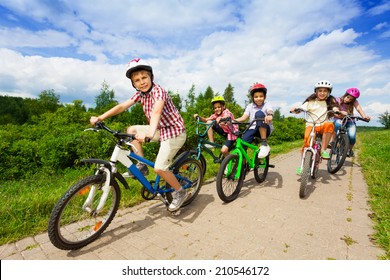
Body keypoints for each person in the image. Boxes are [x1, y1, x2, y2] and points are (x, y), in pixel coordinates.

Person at [90, 58, 187, 212]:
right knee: (131, 131)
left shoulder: (158, 91)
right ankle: (141, 166)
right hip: (160, 129)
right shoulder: (140, 94)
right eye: (137, 80)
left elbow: (156, 112)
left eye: (144, 78)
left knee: (160, 168)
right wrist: (101, 117)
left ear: (151, 77)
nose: (142, 82)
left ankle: (180, 192)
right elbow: (122, 106)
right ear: (133, 84)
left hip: (174, 132)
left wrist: (149, 133)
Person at [290, 80, 339, 175]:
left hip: (322, 124)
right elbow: (301, 108)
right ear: (316, 91)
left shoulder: (329, 101)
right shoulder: (310, 102)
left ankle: (324, 150)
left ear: (328, 92)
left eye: (325, 91)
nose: (322, 93)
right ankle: (302, 166)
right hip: (311, 125)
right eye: (320, 90)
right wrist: (295, 110)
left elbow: (334, 108)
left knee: (329, 124)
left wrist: (337, 111)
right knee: (306, 145)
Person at [234, 83, 274, 158]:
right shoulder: (250, 106)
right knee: (242, 144)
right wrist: (231, 120)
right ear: (252, 98)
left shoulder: (267, 104)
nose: (258, 98)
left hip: (264, 128)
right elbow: (243, 118)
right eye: (256, 97)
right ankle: (243, 165)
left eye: (261, 96)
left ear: (264, 97)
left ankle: (264, 144)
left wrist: (270, 115)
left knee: (259, 114)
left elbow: (270, 111)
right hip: (252, 129)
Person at [333, 87, 371, 157]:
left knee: (352, 137)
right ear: (345, 95)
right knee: (338, 124)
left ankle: (349, 150)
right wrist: (339, 112)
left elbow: (359, 109)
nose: (348, 100)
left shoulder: (354, 102)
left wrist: (364, 117)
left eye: (351, 99)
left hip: (350, 120)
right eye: (347, 97)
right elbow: (334, 108)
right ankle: (334, 142)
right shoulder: (337, 99)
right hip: (339, 119)